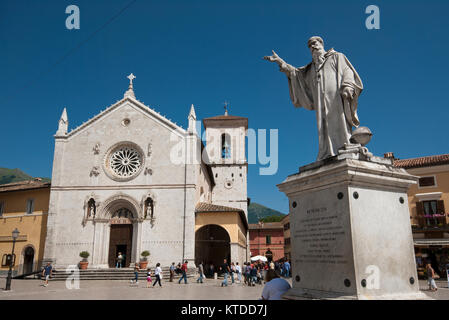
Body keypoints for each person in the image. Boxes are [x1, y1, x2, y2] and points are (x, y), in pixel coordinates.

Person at [264, 36, 363, 161]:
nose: (312, 47)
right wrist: (280, 62)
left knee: (340, 121)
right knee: (324, 126)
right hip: (320, 101)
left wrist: (348, 85)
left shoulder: (337, 56)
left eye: (314, 44)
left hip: (336, 98)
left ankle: (345, 145)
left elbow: (347, 70)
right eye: (310, 46)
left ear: (321, 44)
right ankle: (327, 152)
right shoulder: (311, 68)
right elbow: (296, 74)